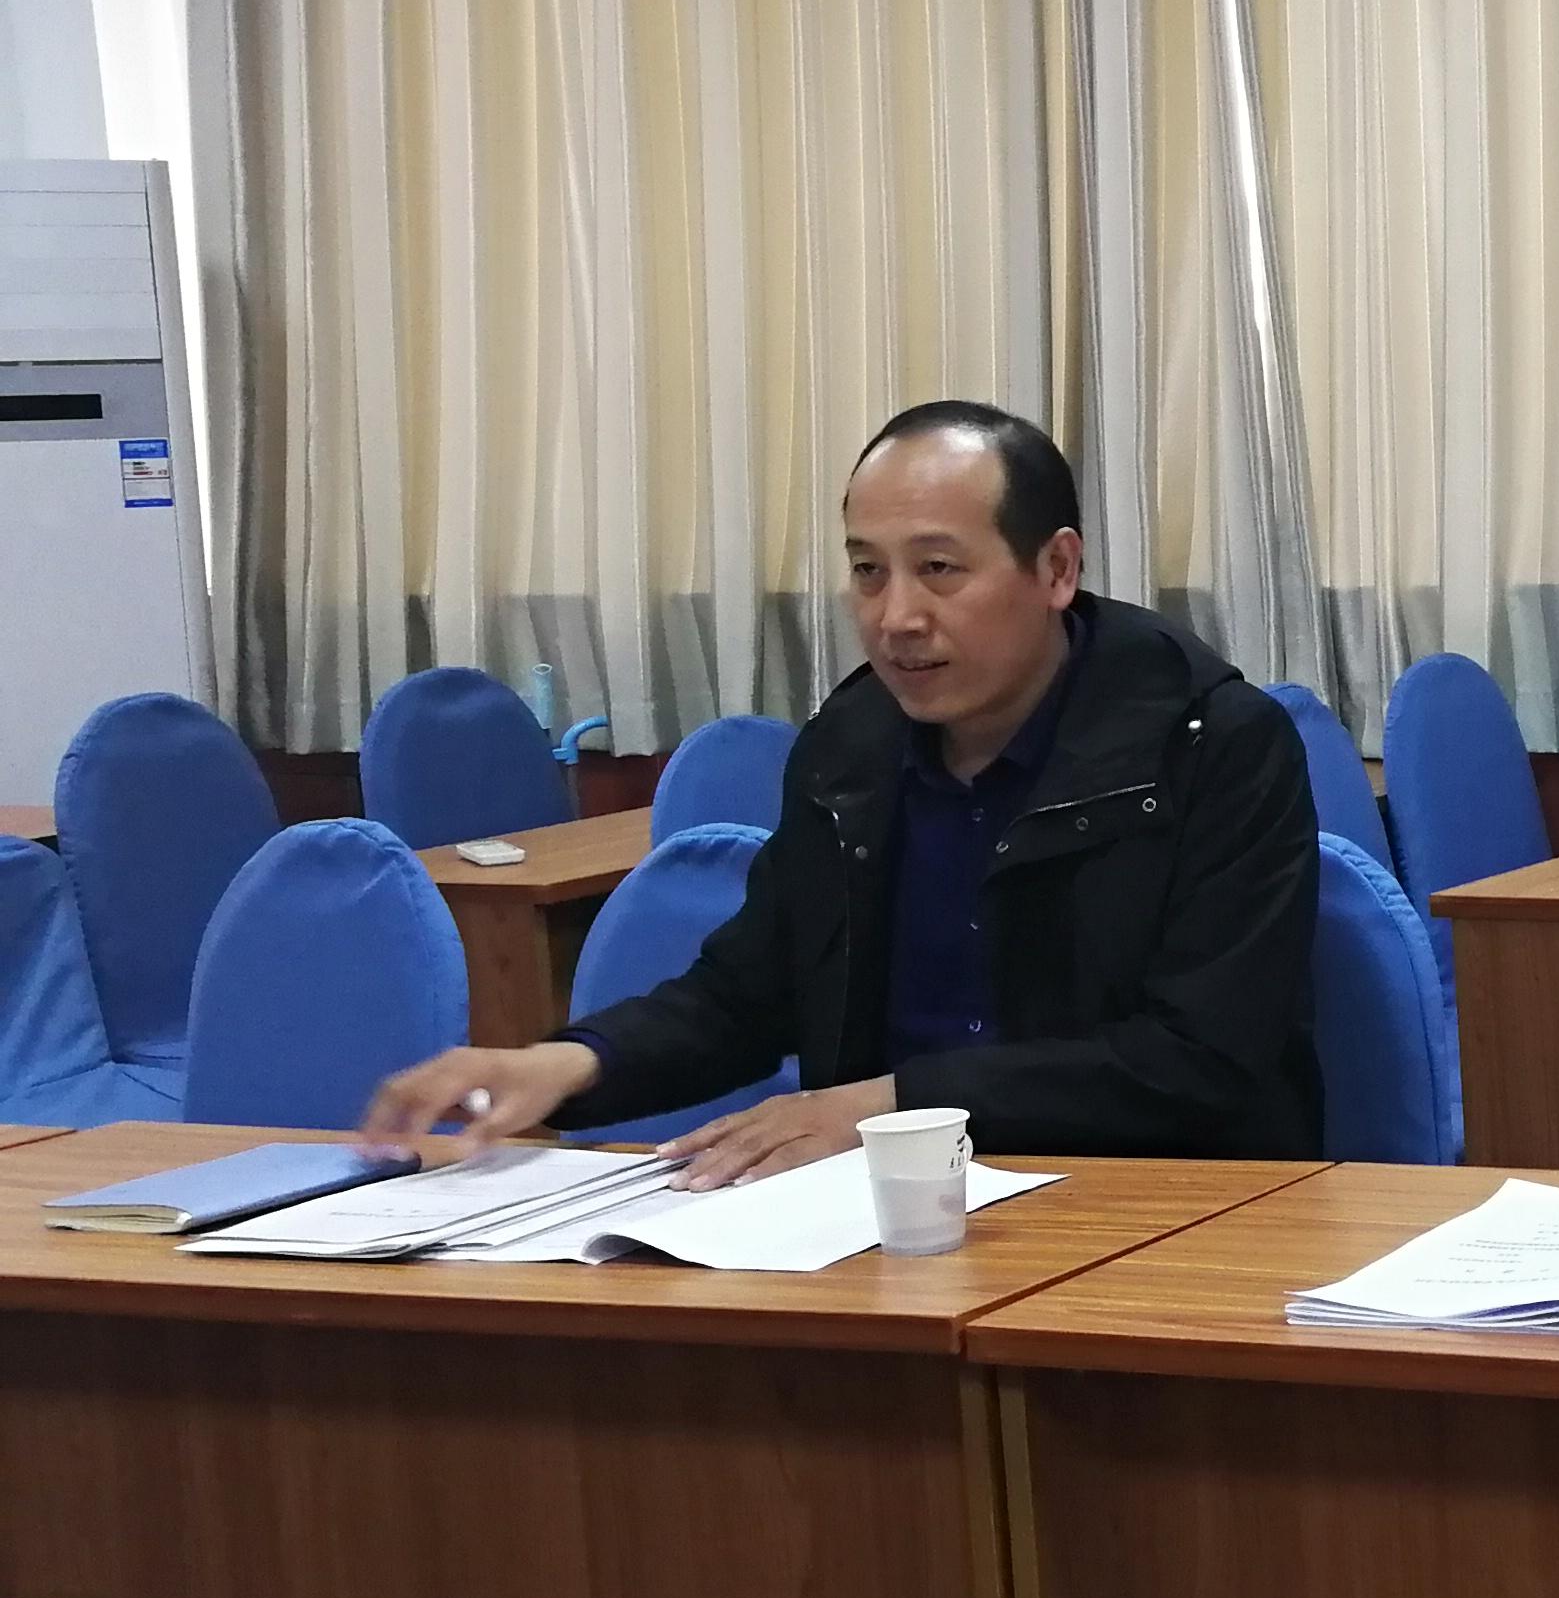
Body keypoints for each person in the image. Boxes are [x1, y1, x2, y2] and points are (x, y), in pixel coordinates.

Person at [361, 401, 1321, 1174]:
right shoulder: (850, 748)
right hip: (885, 1213)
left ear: (1056, 569)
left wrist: (896, 1106)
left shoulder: (1211, 745)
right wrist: (567, 1062)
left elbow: (1198, 1056)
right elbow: (750, 992)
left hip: (1150, 1200)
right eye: (867, 572)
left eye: (938, 570)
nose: (896, 616)